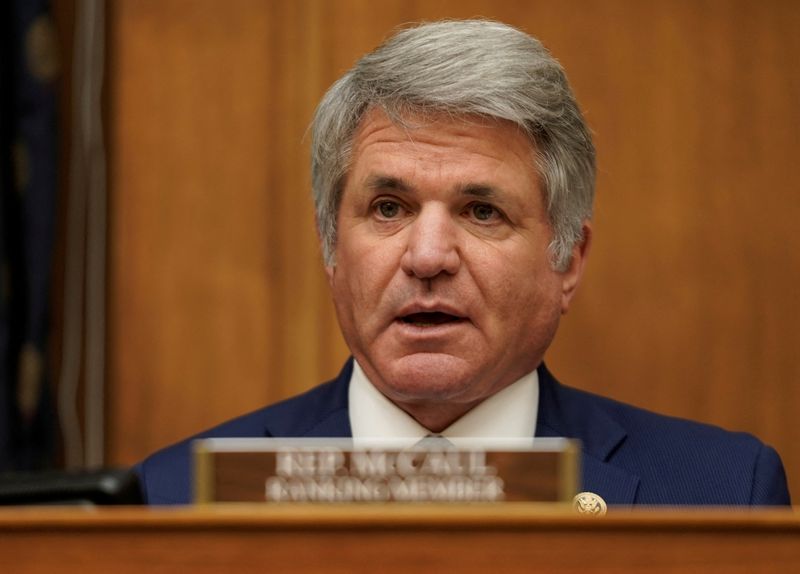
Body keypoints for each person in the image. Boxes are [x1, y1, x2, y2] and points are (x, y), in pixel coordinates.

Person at [137, 20, 791, 506]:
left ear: (568, 260)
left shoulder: (722, 493)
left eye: (482, 212)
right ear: (331, 248)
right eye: (389, 208)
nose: (427, 257)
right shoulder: (174, 498)